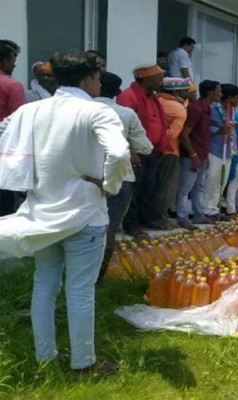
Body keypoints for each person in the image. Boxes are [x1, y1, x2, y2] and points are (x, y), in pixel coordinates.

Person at [0, 52, 130, 374]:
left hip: (41, 213)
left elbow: (3, 131)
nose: (98, 84)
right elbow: (118, 152)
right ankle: (83, 363)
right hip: (85, 214)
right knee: (80, 291)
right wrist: (109, 185)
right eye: (97, 78)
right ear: (88, 80)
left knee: (44, 286)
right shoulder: (96, 110)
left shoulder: (30, 110)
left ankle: (45, 357)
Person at [94, 71, 153, 282]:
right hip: (120, 176)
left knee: (82, 225)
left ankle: (75, 276)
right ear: (118, 92)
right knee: (110, 226)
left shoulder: (79, 110)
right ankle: (99, 276)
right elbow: (145, 147)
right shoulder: (126, 114)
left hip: (85, 175)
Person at [116, 64, 169, 236]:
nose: (162, 82)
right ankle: (131, 225)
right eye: (159, 79)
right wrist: (132, 152)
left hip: (152, 152)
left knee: (148, 188)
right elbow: (124, 128)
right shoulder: (128, 96)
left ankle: (146, 221)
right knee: (134, 189)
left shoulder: (153, 97)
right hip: (135, 153)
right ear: (147, 79)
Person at [176, 80, 222, 230]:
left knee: (199, 186)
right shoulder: (196, 109)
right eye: (218, 91)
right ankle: (182, 217)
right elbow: (185, 134)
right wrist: (193, 155)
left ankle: (199, 215)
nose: (220, 94)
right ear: (210, 92)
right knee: (185, 187)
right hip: (192, 155)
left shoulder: (207, 108)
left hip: (202, 153)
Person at [157, 77, 192, 228]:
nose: (188, 94)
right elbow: (172, 134)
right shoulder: (178, 108)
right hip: (170, 150)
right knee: (167, 187)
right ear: (177, 91)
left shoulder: (156, 101)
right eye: (185, 91)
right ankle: (161, 219)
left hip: (150, 148)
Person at [204, 83, 238, 220]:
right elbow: (206, 127)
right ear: (229, 98)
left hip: (227, 151)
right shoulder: (213, 109)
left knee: (222, 181)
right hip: (215, 149)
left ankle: (215, 208)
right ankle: (206, 209)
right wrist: (218, 130)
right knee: (212, 180)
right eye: (237, 98)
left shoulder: (231, 111)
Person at [0, 40, 25, 217]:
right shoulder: (12, 86)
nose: (14, 64)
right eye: (13, 60)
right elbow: (18, 122)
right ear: (4, 61)